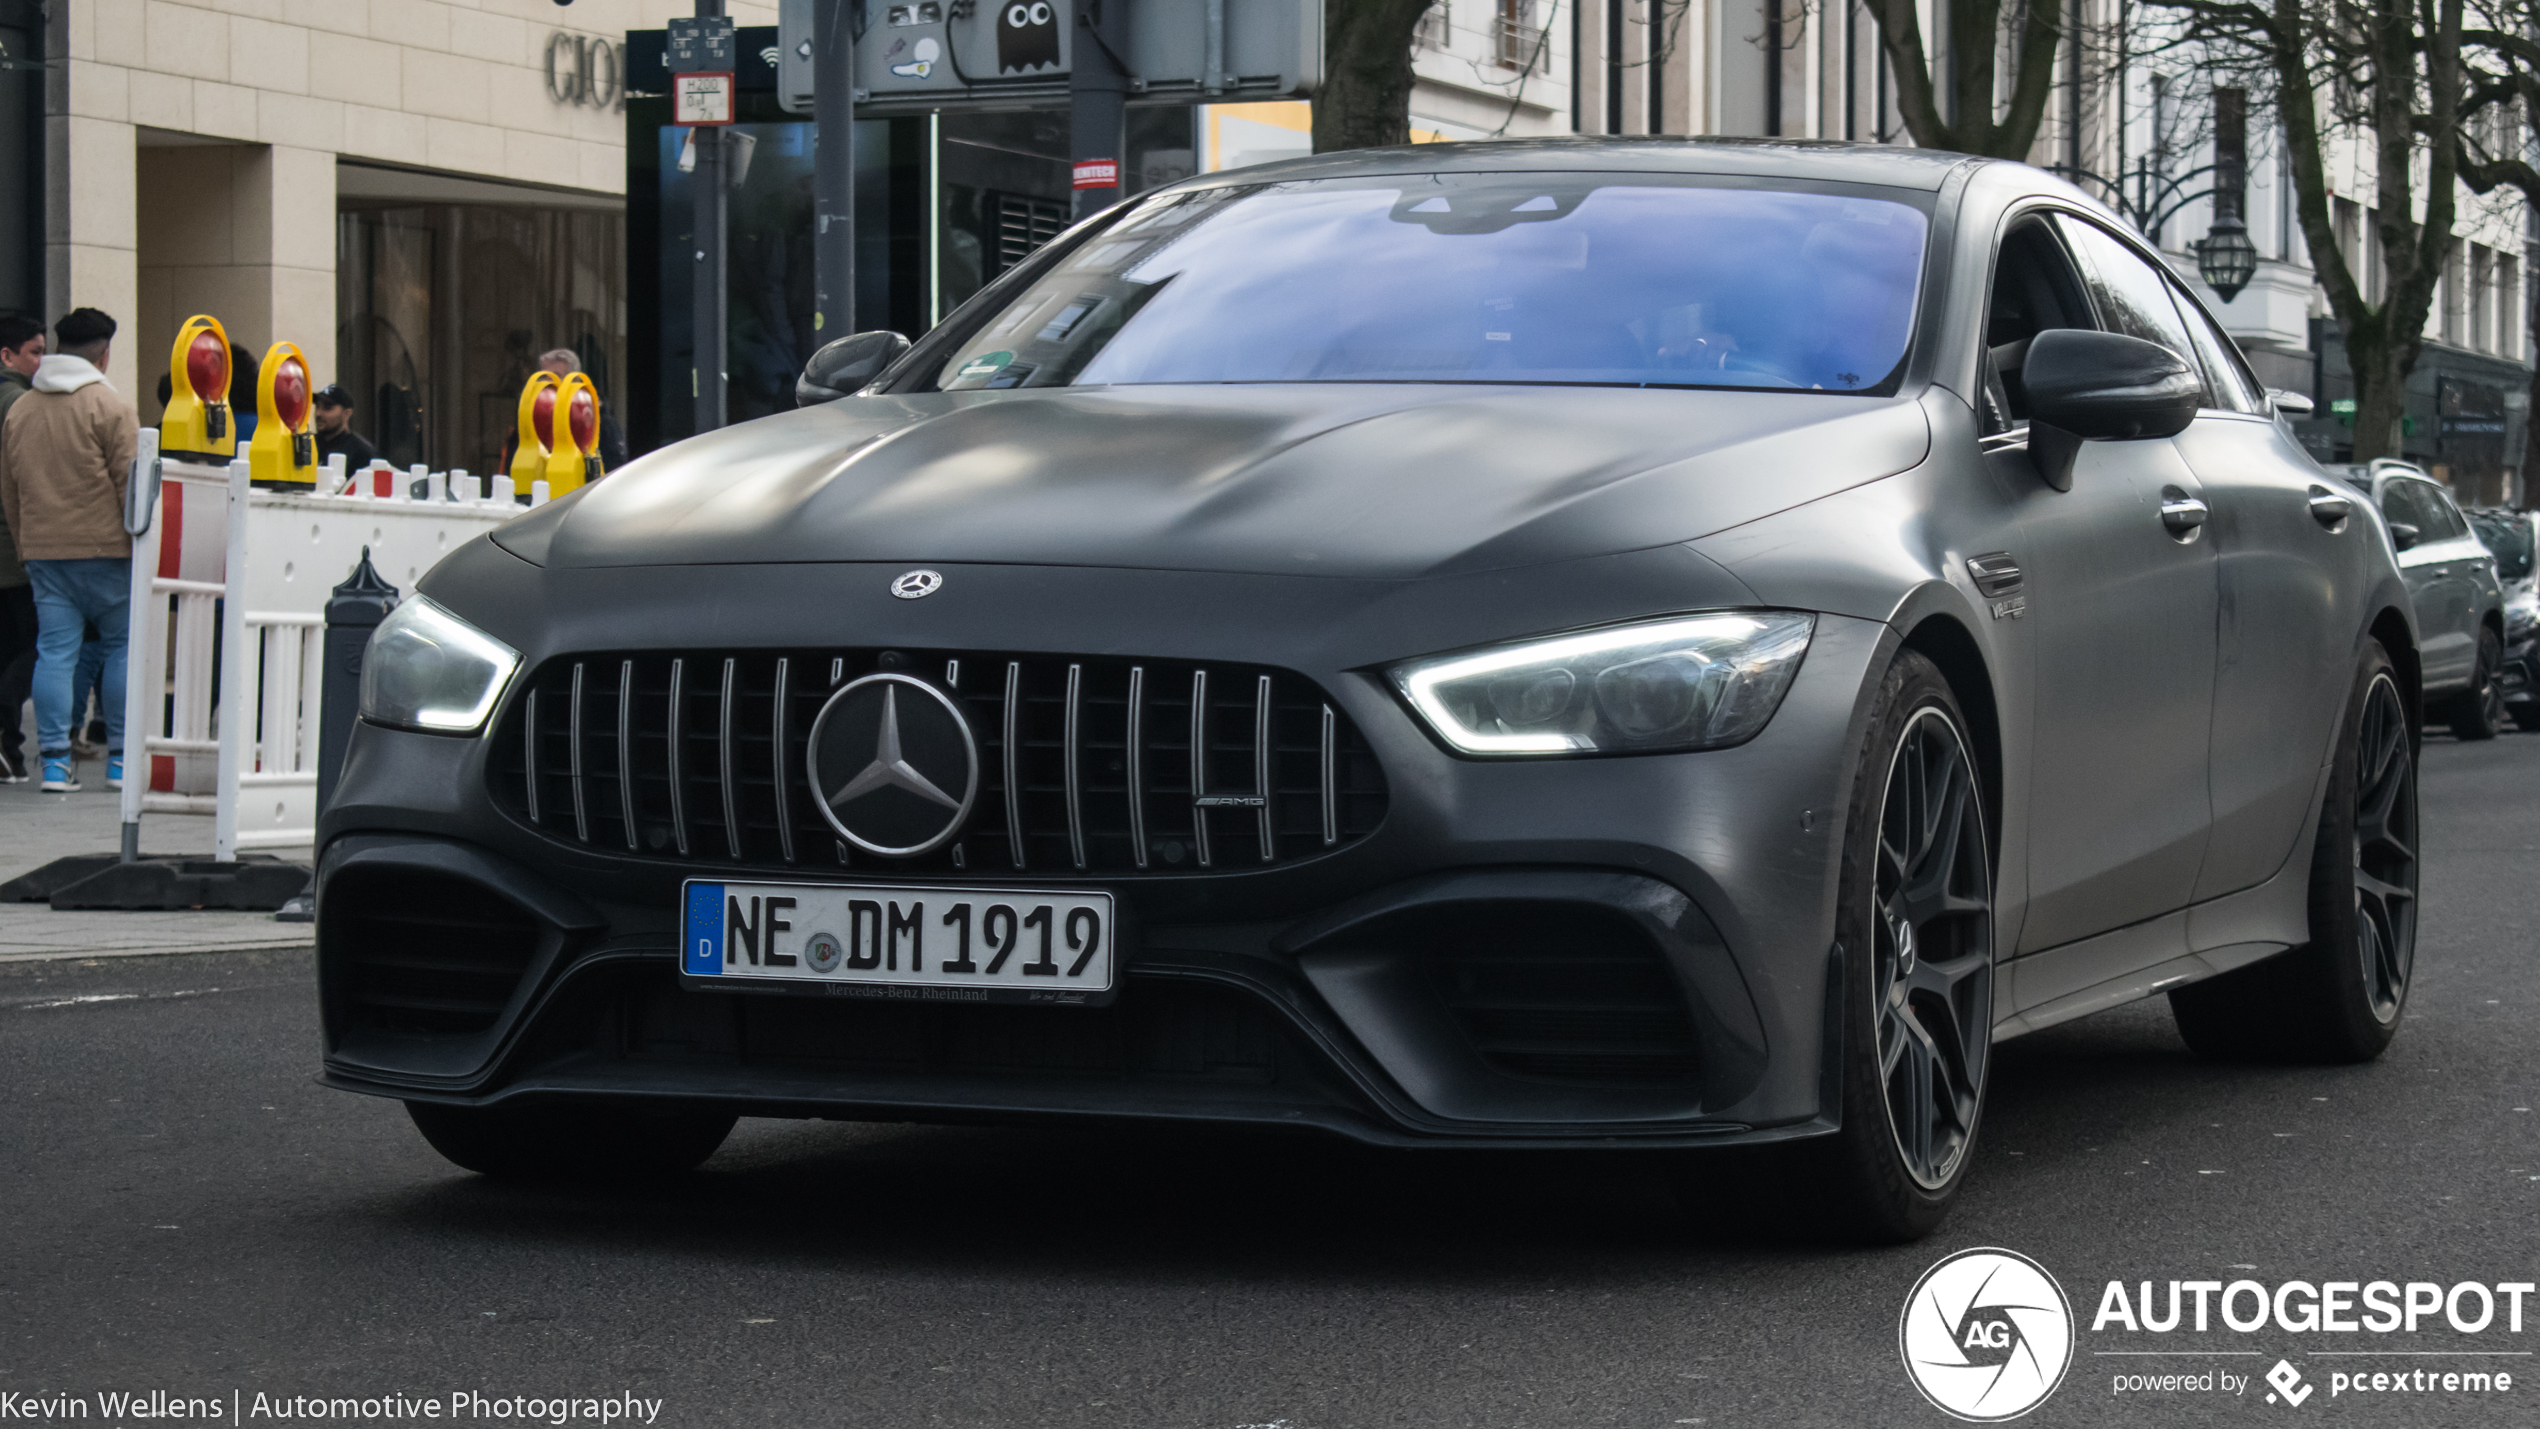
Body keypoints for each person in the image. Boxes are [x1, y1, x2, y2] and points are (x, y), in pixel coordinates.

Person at [0, 308, 136, 793]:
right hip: (108, 551)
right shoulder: (109, 406)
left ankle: (54, 763)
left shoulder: (22, 409)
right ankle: (120, 761)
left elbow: (10, 490)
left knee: (54, 653)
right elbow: (131, 485)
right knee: (119, 649)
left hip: (45, 553)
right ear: (104, 353)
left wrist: (26, 545)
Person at [0, 313, 42, 782]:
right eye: (34, 351)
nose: (42, 361)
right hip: (13, 545)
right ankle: (5, 736)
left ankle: (7, 747)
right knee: (38, 644)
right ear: (7, 356)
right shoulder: (20, 403)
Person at [536, 348, 629, 472]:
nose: (547, 383)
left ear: (574, 382)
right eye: (543, 377)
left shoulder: (600, 423)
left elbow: (615, 471)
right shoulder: (532, 421)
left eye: (556, 376)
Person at [310, 383, 376, 470]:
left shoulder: (361, 452)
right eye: (317, 407)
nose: (318, 413)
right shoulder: (310, 445)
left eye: (327, 407)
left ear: (347, 413)